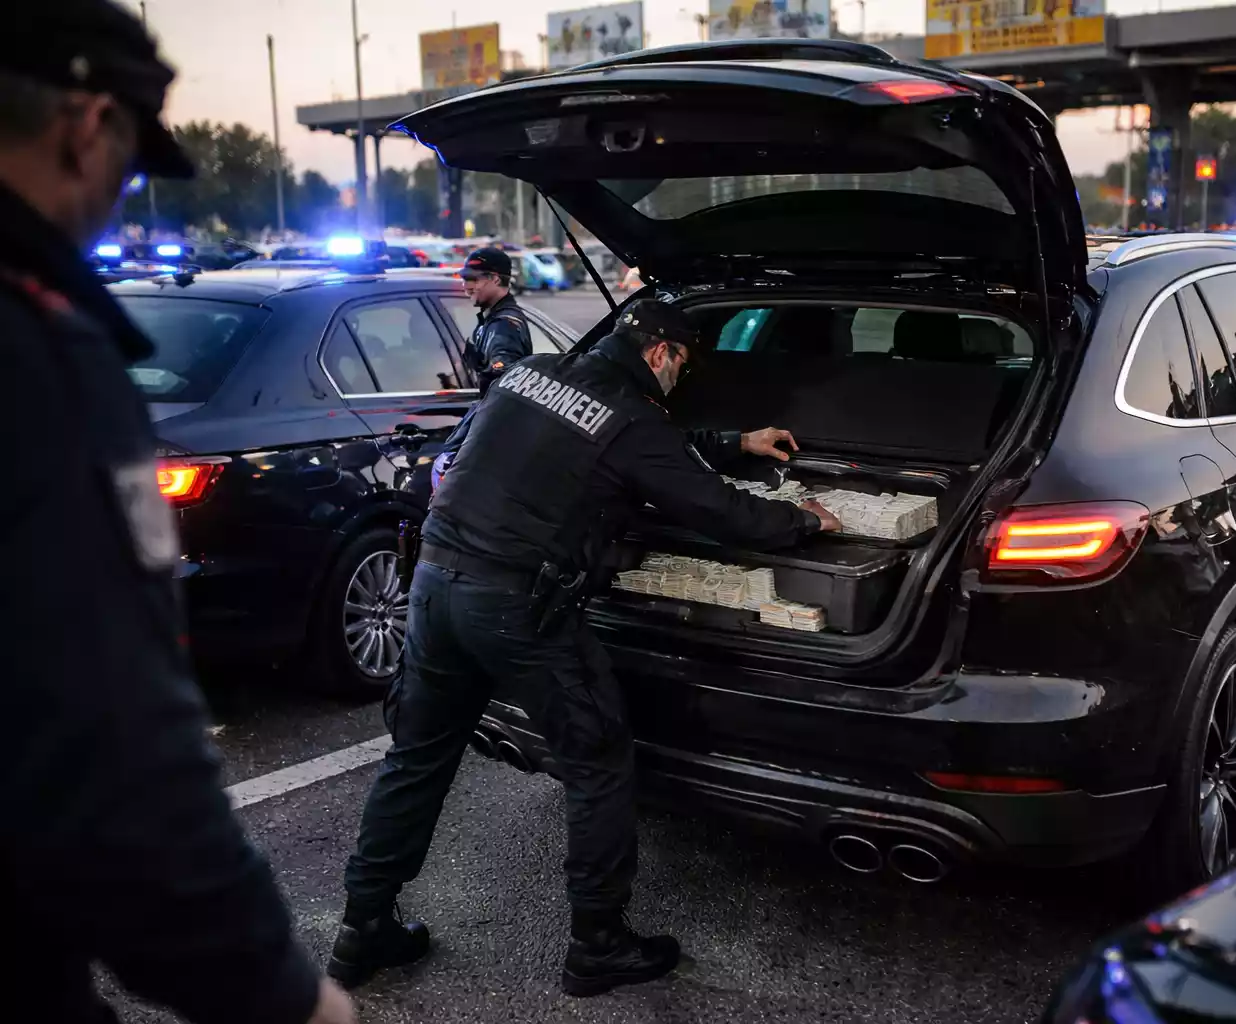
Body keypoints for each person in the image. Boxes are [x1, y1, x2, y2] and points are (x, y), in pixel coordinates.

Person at [0, 5, 354, 1024]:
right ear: (86, 127)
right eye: (129, 164)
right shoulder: (37, 353)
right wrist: (283, 996)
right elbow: (115, 754)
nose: (120, 191)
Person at [331, 299, 841, 996]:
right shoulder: (631, 416)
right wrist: (803, 520)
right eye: (682, 366)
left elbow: (583, 443)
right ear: (660, 353)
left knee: (416, 757)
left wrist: (735, 442)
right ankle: (598, 944)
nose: (679, 380)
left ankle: (362, 927)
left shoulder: (530, 372)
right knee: (598, 757)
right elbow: (715, 507)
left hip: (433, 583)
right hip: (513, 606)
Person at [458, 247, 531, 394]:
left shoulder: (504, 325)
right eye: (464, 279)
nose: (466, 286)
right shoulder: (492, 319)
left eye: (474, 279)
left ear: (496, 279)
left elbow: (502, 383)